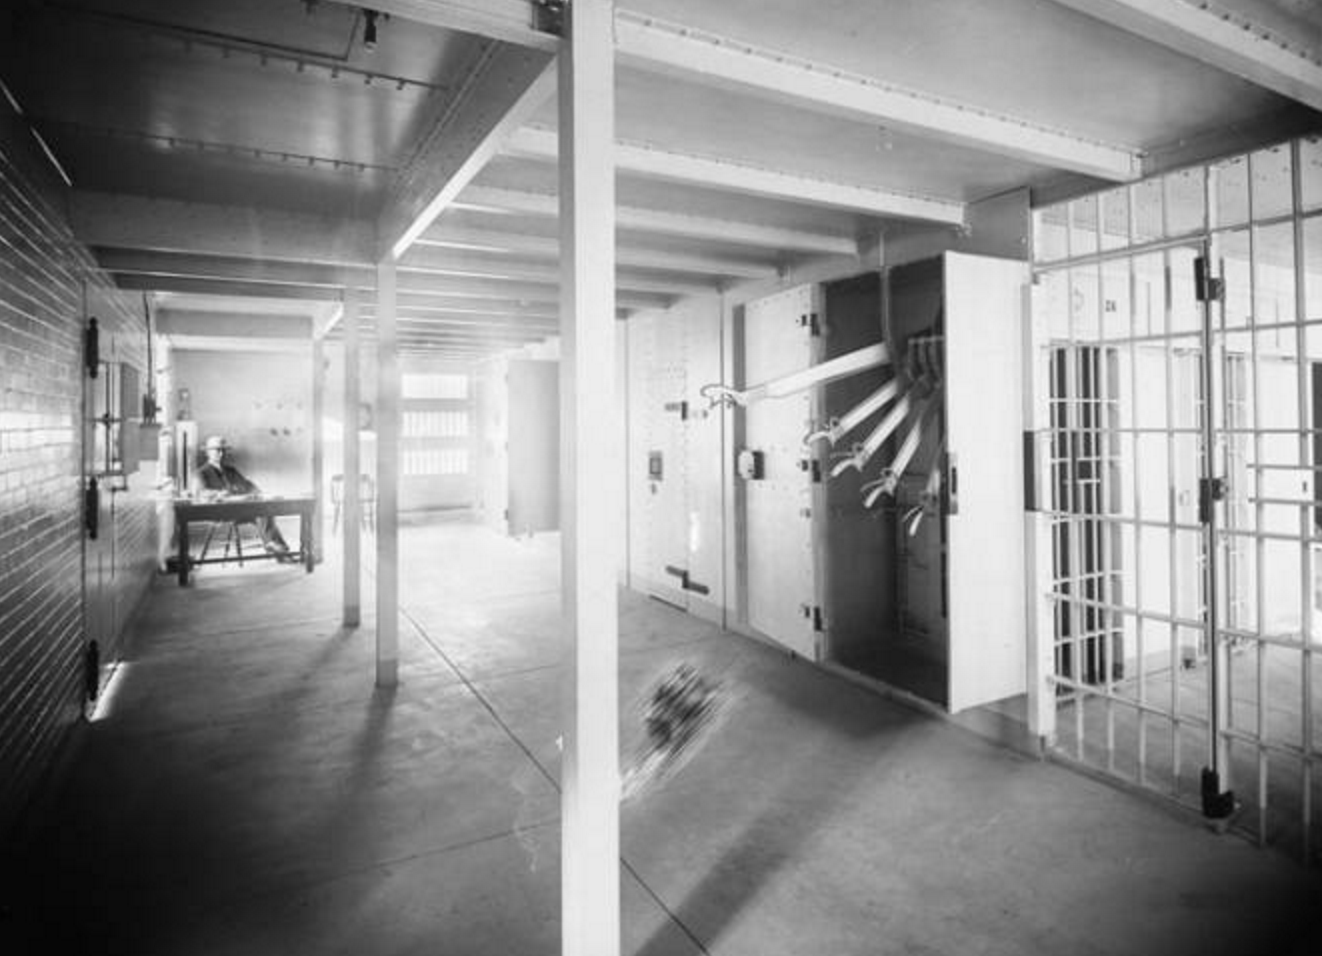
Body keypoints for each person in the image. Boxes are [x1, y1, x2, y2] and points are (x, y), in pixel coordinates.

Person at [198, 435, 292, 558]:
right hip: (219, 512)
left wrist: (258, 493)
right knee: (261, 510)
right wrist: (220, 494)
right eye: (217, 450)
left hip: (239, 509)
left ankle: (275, 548)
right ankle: (277, 548)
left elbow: (247, 484)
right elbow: (202, 494)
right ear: (208, 452)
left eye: (223, 450)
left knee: (264, 510)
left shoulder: (230, 470)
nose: (221, 454)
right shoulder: (202, 472)